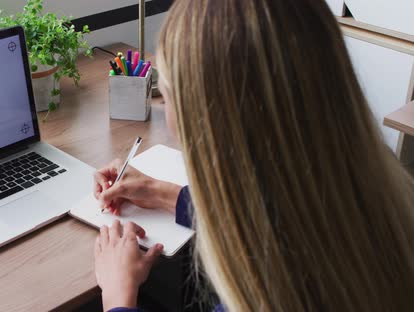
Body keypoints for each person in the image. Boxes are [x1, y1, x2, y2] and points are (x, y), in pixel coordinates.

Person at [92, 0, 414, 311]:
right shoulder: (369, 205)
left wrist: (120, 295)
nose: (166, 111)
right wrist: (163, 194)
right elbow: (270, 212)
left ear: (214, 128)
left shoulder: (274, 293)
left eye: (169, 96)